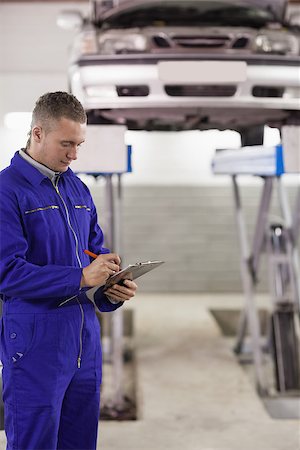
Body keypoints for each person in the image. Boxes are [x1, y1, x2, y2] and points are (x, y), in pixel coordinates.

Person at [0, 91, 137, 450]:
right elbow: (6, 273)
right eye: (66, 144)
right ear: (38, 133)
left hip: (83, 337)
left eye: (79, 144)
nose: (74, 154)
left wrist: (110, 287)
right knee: (35, 442)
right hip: (33, 339)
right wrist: (79, 277)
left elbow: (95, 253)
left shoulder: (78, 187)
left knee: (79, 441)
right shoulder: (7, 190)